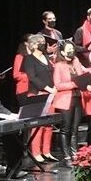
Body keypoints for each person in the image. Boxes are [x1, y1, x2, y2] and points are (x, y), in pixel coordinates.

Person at [22, 35, 57, 163]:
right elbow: (33, 77)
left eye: (43, 41)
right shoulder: (29, 59)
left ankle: (46, 151)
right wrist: (48, 88)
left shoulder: (46, 57)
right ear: (34, 45)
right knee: (38, 125)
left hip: (50, 94)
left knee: (48, 124)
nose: (44, 44)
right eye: (41, 42)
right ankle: (36, 153)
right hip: (37, 94)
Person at [53, 40, 85, 167]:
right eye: (69, 50)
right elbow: (58, 85)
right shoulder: (59, 65)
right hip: (65, 99)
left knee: (75, 129)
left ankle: (75, 154)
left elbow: (82, 75)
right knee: (65, 129)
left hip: (77, 97)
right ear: (63, 52)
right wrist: (74, 84)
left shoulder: (76, 61)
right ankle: (66, 156)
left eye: (73, 49)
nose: (71, 52)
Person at [13, 34, 32, 106]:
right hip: (24, 89)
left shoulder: (37, 55)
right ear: (26, 43)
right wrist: (31, 77)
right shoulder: (20, 57)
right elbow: (16, 75)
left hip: (36, 90)